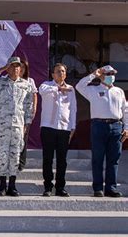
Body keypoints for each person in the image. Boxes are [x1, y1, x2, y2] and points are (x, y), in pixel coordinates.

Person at [0, 56, 33, 197]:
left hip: (18, 126)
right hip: (3, 126)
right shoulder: (0, 82)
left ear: (21, 69)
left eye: (17, 66)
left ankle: (12, 186)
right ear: (8, 68)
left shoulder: (26, 85)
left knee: (15, 157)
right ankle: (2, 186)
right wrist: (0, 70)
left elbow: (28, 107)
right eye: (12, 66)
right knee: (3, 156)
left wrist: (26, 125)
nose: (15, 69)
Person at [75, 65, 127, 197]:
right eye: (108, 74)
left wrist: (126, 128)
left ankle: (111, 188)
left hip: (116, 126)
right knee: (97, 158)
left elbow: (125, 110)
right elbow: (79, 86)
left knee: (113, 159)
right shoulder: (93, 89)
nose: (111, 76)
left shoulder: (119, 91)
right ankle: (97, 188)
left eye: (112, 73)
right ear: (102, 75)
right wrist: (93, 74)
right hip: (99, 126)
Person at [39, 63, 76, 197]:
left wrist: (73, 127)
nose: (61, 74)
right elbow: (41, 92)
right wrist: (57, 89)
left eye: (63, 71)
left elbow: (73, 109)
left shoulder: (71, 89)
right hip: (48, 127)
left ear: (66, 74)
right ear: (53, 74)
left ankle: (60, 187)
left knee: (62, 159)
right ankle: (48, 186)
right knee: (47, 158)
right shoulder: (46, 85)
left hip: (64, 128)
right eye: (58, 72)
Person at [18, 59, 38, 171]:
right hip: (14, 114)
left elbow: (34, 95)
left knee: (23, 136)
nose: (21, 70)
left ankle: (21, 162)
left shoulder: (30, 81)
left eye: (23, 67)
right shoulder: (11, 80)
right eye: (19, 67)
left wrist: (34, 108)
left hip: (26, 114)